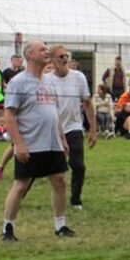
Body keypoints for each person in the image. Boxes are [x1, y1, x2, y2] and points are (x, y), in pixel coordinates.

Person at [0, 40, 72, 242]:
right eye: (42, 49)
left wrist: (62, 138)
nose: (46, 52)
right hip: (31, 143)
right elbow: (9, 115)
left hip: (52, 143)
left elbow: (54, 112)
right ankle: (8, 228)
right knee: (21, 185)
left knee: (60, 181)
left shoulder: (49, 81)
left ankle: (60, 225)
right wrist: (19, 144)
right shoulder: (18, 82)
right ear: (30, 55)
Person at [48, 45, 96, 211]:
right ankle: (20, 192)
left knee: (78, 165)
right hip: (52, 129)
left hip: (74, 127)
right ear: (52, 60)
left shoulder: (79, 77)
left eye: (66, 56)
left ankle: (75, 199)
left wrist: (93, 130)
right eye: (60, 56)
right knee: (41, 166)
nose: (64, 59)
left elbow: (88, 104)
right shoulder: (46, 79)